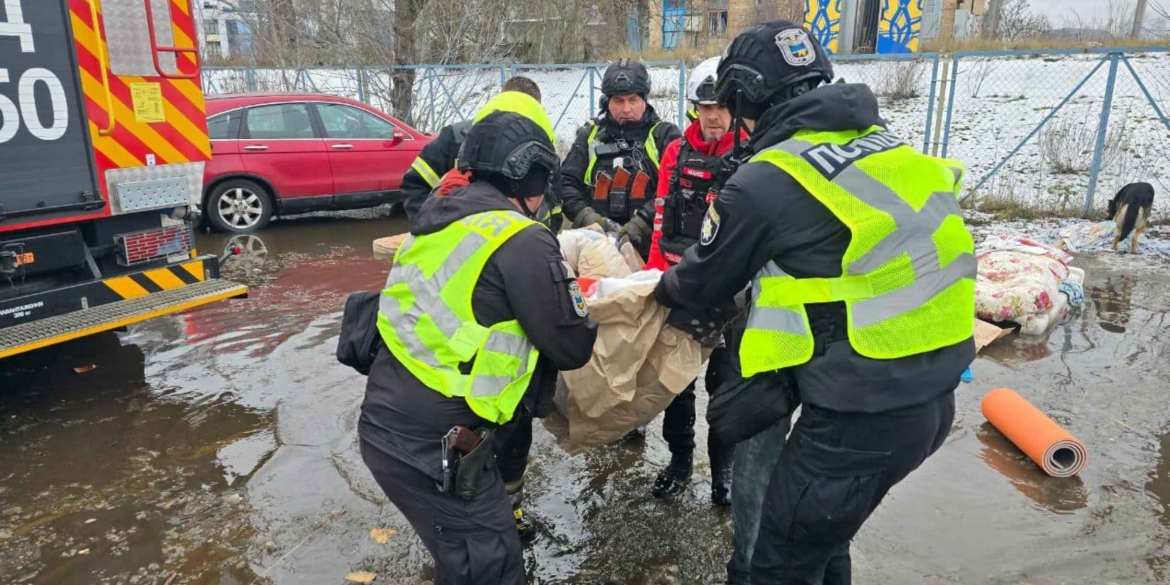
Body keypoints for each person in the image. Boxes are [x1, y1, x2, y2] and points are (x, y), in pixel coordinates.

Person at [655, 20, 976, 584]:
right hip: (929, 397)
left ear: (749, 98)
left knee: (772, 566)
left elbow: (698, 283)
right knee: (824, 543)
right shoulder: (890, 148)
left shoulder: (771, 178)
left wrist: (649, 291)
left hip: (859, 420)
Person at [360, 107, 598, 584]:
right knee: (487, 564)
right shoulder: (521, 238)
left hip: (392, 423)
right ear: (530, 175)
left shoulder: (438, 218)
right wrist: (576, 295)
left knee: (471, 555)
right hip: (434, 443)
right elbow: (573, 346)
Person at [642, 56, 746, 505]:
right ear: (694, 109)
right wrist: (654, 279)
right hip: (681, 285)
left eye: (722, 106)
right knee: (675, 384)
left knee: (725, 390)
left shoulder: (753, 154)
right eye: (706, 107)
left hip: (733, 296)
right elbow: (662, 217)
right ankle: (679, 461)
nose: (714, 116)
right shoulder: (675, 153)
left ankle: (723, 472)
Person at [401, 76, 564, 232]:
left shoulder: (540, 151)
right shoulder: (457, 138)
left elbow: (554, 208)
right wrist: (435, 228)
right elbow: (416, 183)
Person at [561, 59, 682, 260]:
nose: (626, 109)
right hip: (596, 246)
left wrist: (640, 223)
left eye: (633, 100)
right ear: (607, 102)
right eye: (618, 101)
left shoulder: (664, 135)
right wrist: (587, 217)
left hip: (652, 249)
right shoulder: (591, 136)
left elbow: (676, 189)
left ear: (645, 100)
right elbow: (565, 183)